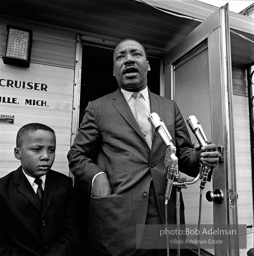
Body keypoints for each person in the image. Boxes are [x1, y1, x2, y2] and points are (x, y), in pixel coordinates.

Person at [67, 38, 220, 256]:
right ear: (113, 70)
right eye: (120, 56)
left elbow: (185, 156)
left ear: (148, 65)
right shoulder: (97, 108)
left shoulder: (169, 107)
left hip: (167, 216)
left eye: (135, 54)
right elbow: (77, 154)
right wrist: (96, 177)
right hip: (120, 218)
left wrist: (201, 157)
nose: (128, 59)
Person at [0, 123, 79, 256]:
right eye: (37, 149)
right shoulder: (2, 189)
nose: (46, 156)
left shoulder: (64, 184)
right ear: (17, 153)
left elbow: (72, 231)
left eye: (51, 150)